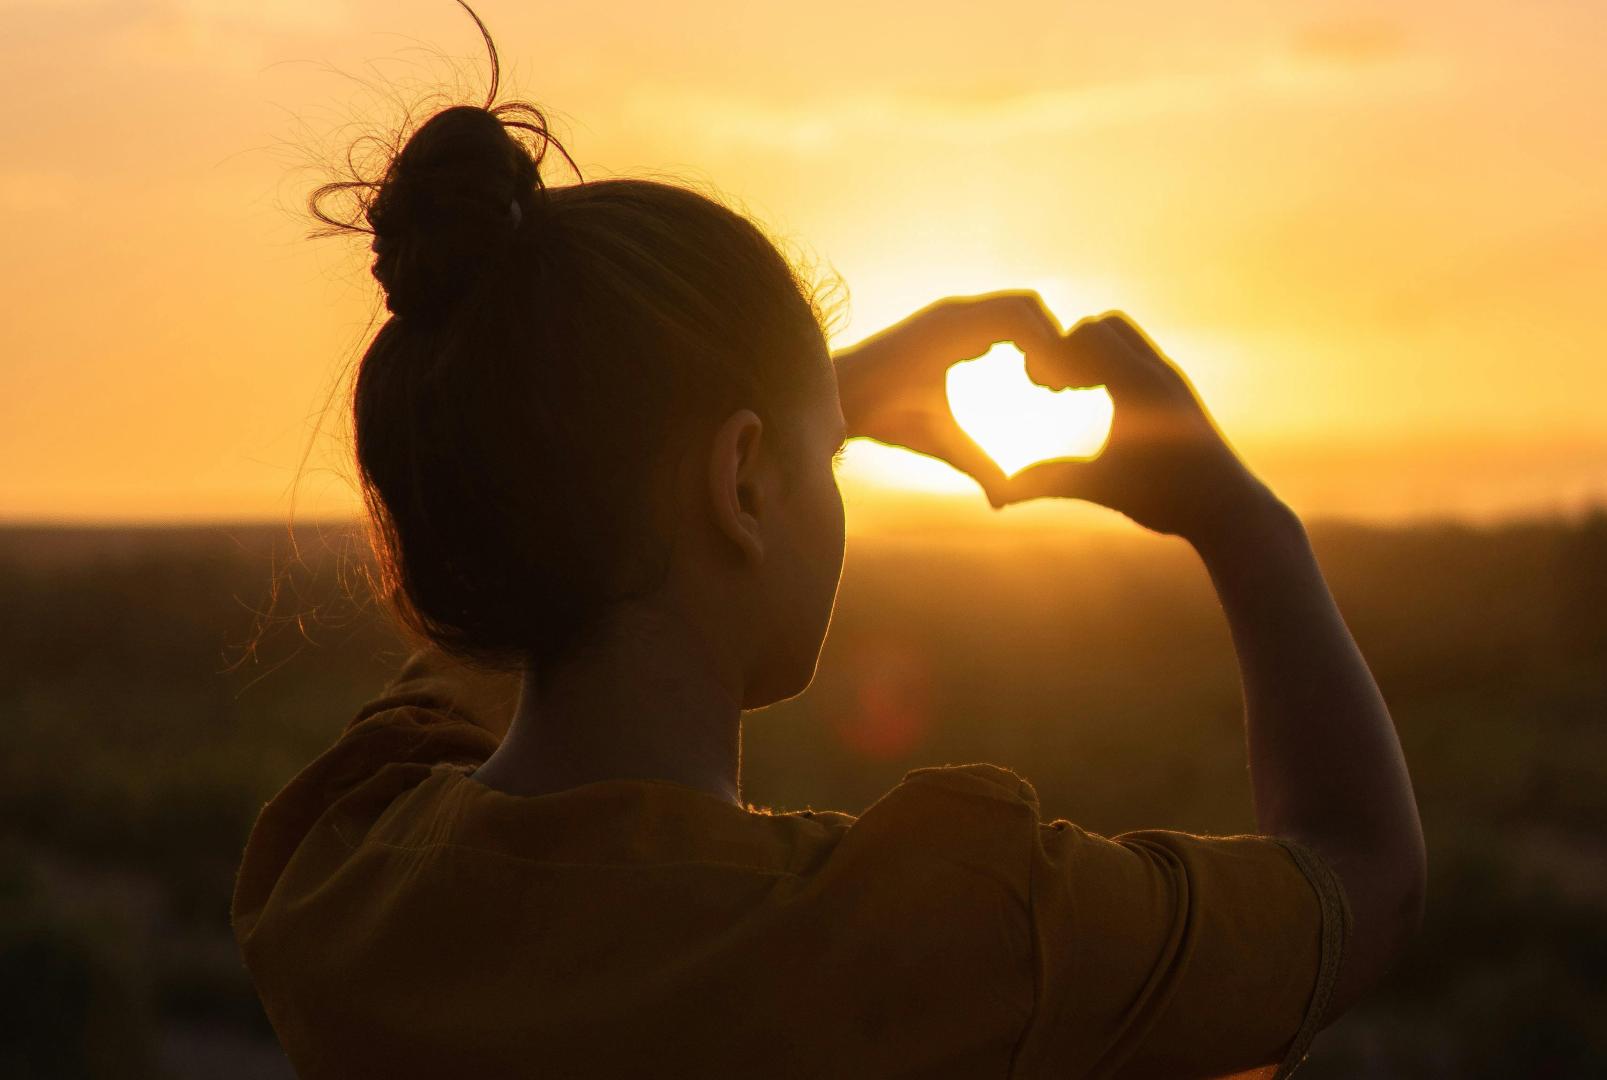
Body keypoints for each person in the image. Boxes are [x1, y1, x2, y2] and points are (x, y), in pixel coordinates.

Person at [230, 8, 1424, 1077]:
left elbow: (531, 565)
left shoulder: (339, 879)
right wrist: (1244, 523)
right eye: (825, 456)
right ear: (742, 480)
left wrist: (776, 413)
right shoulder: (946, 940)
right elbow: (1358, 878)